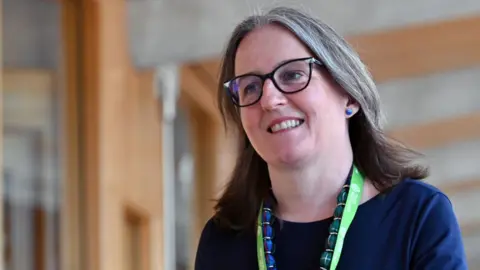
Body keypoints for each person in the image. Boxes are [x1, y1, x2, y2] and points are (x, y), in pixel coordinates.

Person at [194, 6, 467, 270]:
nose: (269, 99)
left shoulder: (417, 215)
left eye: (292, 75)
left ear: (348, 95)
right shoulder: (221, 240)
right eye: (250, 87)